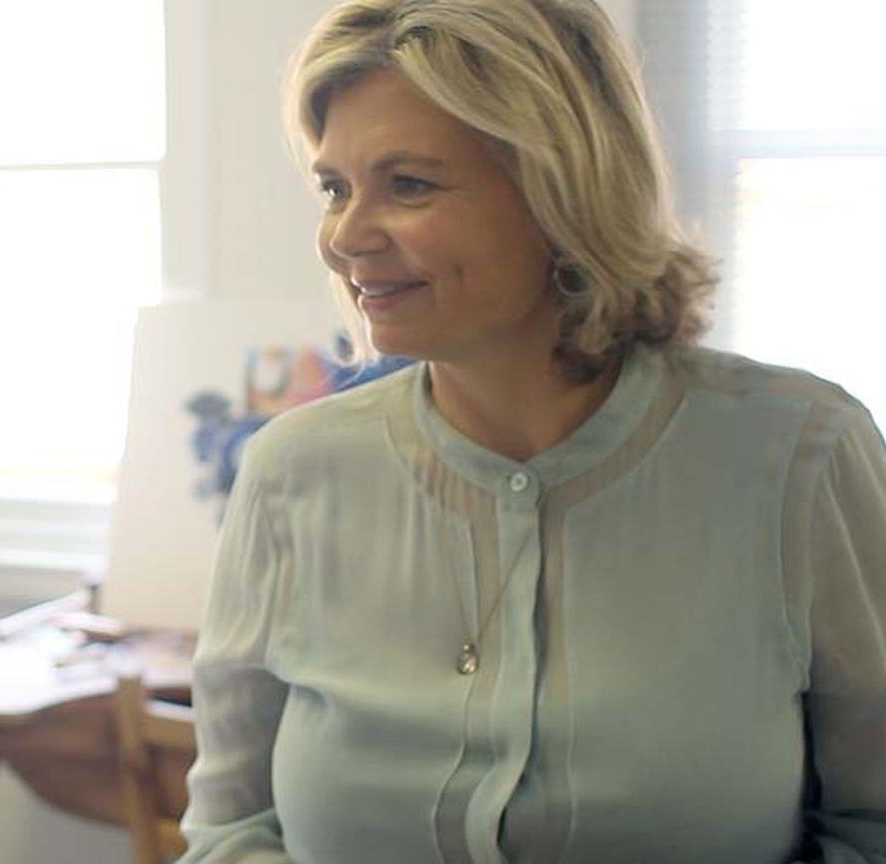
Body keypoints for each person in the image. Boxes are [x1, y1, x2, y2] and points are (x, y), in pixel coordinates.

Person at [179, 1, 886, 862]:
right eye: (335, 187)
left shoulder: (799, 458)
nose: (343, 237)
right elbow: (230, 829)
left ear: (562, 189)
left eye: (408, 183)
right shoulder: (292, 473)